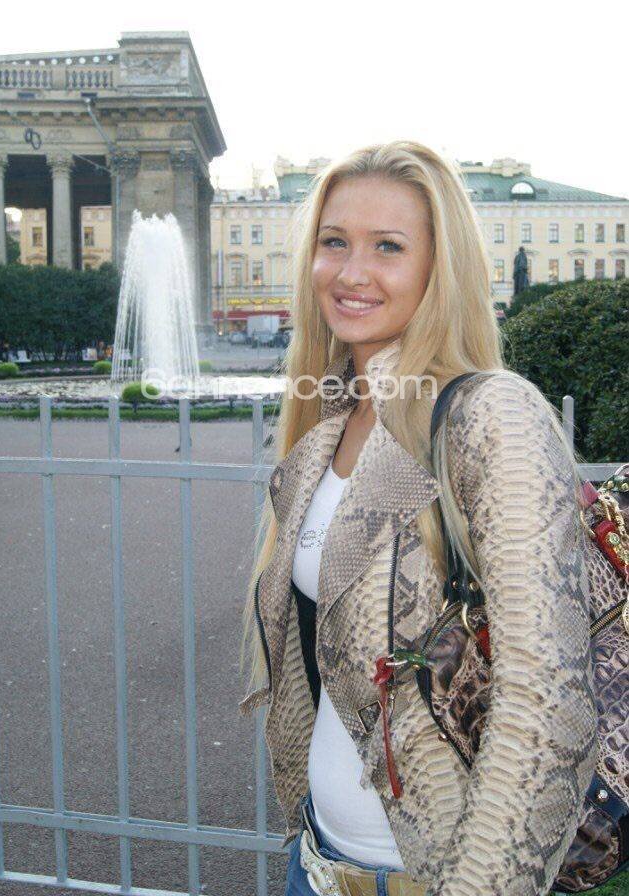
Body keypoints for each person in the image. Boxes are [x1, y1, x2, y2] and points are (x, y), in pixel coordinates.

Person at [238, 140, 598, 896]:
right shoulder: (327, 423)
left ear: (441, 267)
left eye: (388, 247)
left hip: (433, 877)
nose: (350, 272)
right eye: (334, 242)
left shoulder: (489, 417)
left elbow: (546, 706)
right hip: (317, 862)